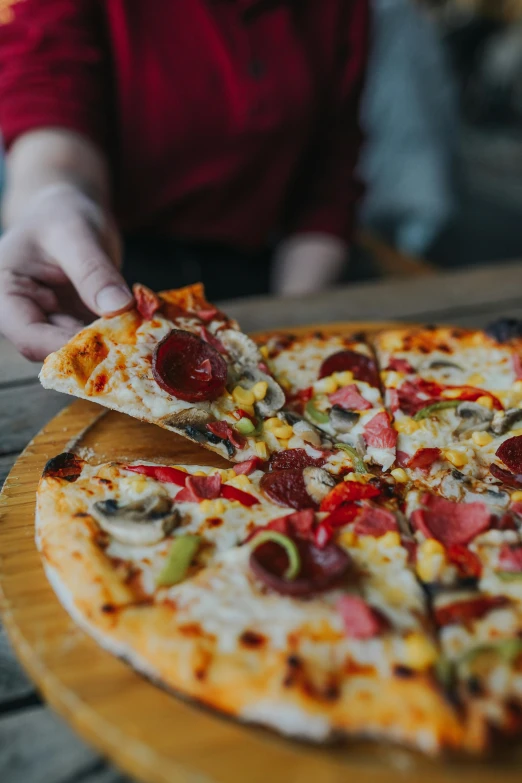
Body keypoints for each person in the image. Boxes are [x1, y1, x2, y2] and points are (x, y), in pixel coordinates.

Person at [0, 0, 369, 362]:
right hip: (106, 264)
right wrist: (53, 197)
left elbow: (328, 181)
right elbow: (47, 97)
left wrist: (293, 339)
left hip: (266, 270)